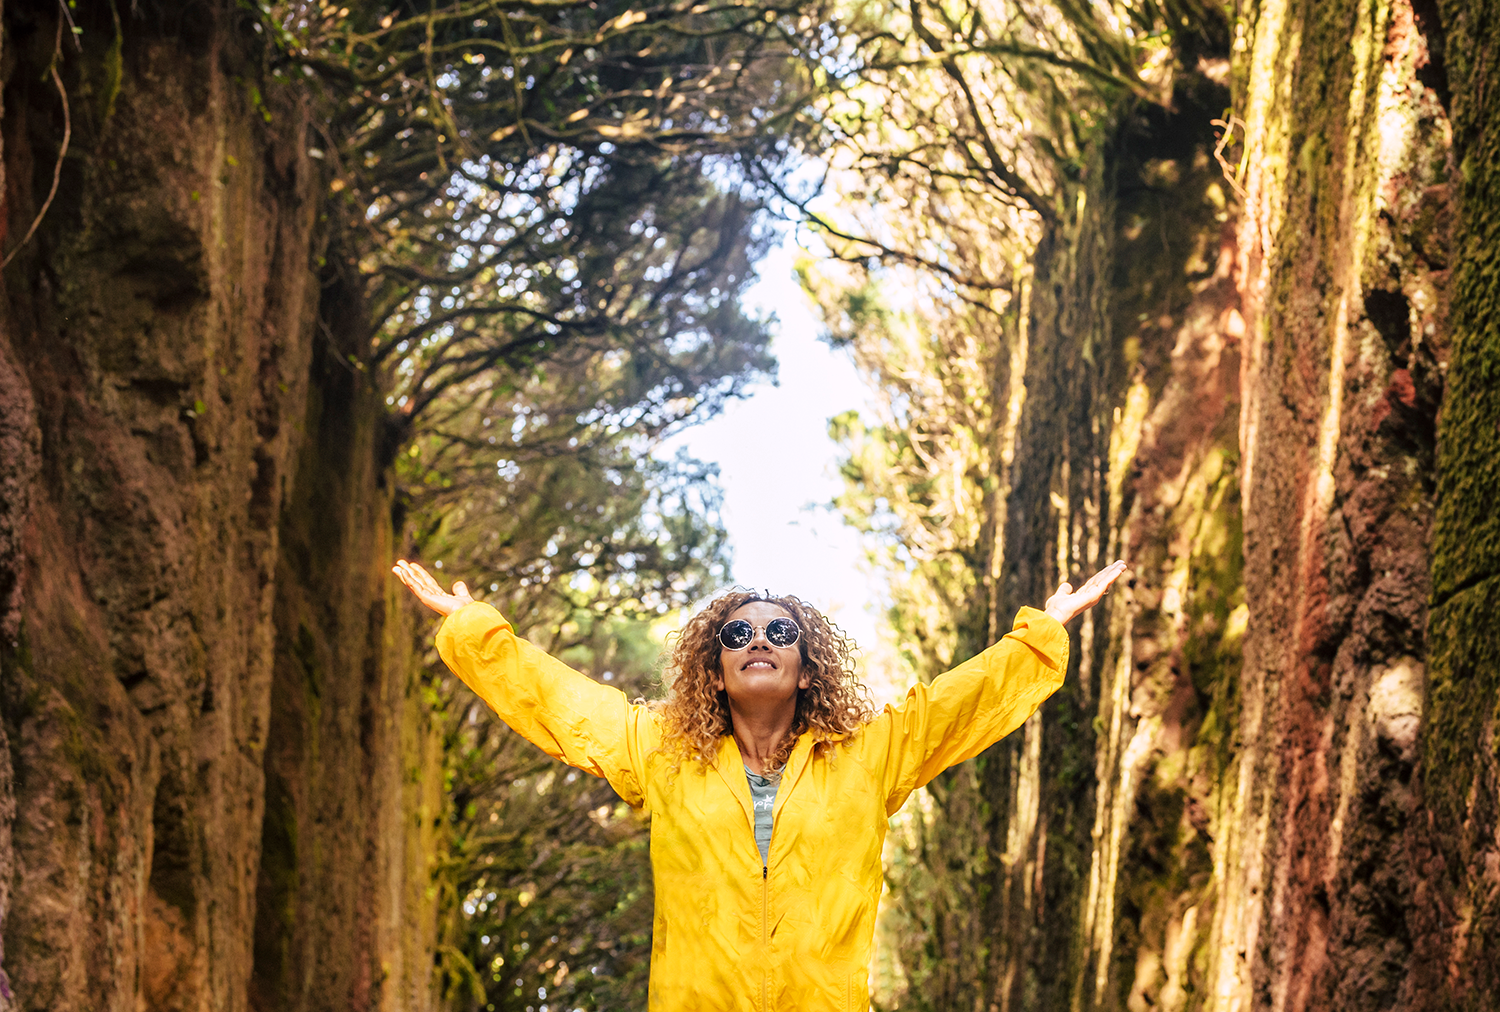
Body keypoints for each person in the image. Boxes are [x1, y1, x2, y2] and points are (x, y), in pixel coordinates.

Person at [393, 557, 1127, 1011]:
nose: (759, 643)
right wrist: (475, 630)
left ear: (806, 669)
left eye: (780, 634)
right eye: (737, 635)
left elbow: (956, 704)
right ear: (714, 670)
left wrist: (1041, 632)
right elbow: (561, 703)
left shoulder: (871, 755)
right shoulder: (661, 752)